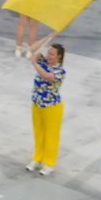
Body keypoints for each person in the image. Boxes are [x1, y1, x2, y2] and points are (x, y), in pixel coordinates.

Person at [24, 40, 67, 178]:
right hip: (37, 103)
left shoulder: (60, 71)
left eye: (52, 54)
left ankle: (49, 163)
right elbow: (31, 50)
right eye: (49, 52)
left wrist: (35, 64)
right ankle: (37, 158)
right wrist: (49, 37)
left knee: (51, 135)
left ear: (59, 57)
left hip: (52, 107)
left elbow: (47, 77)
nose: (49, 55)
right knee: (39, 133)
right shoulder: (43, 62)